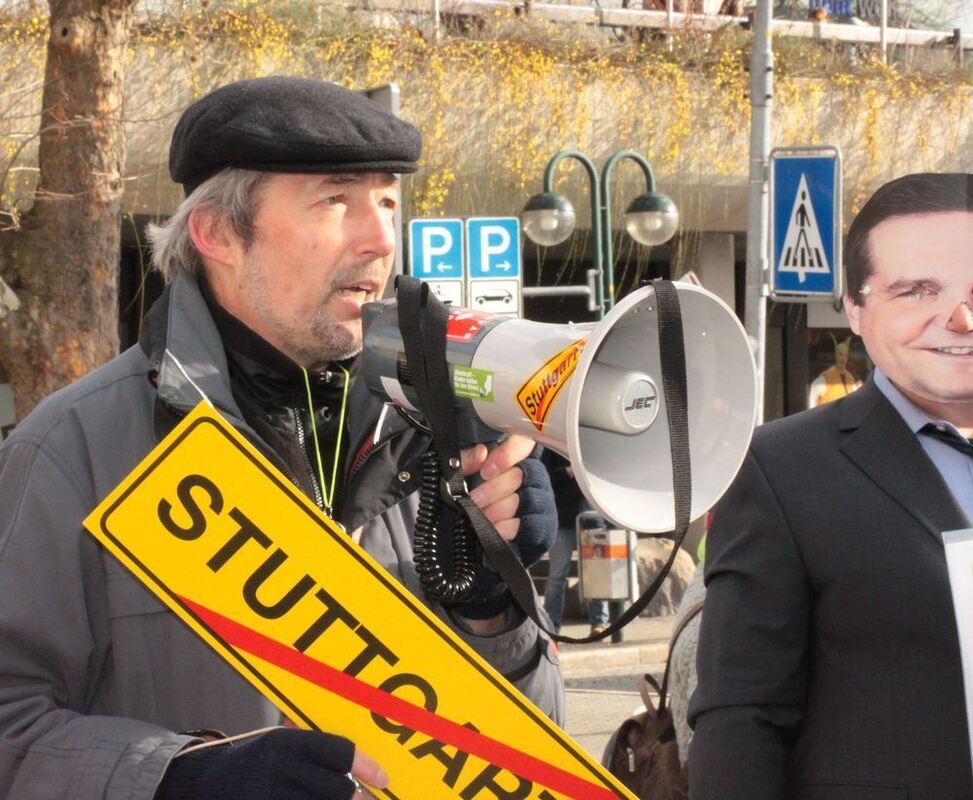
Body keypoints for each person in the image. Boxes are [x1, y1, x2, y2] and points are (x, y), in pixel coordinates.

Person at [0, 77, 561, 800]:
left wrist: (492, 610)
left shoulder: (431, 431)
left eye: (387, 201)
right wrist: (175, 778)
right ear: (217, 233)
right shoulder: (75, 447)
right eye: (335, 200)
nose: (382, 238)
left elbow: (531, 757)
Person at [689, 172, 973, 799]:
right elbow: (742, 719)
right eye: (917, 290)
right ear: (855, 308)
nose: (960, 316)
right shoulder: (780, 468)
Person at [540, 449, 610, 635]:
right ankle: (551, 624)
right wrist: (566, 472)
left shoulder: (589, 446)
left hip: (592, 519)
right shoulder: (551, 448)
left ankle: (599, 624)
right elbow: (543, 478)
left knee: (596, 574)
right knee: (557, 576)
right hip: (563, 520)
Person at [807, 335, 862, 407]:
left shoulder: (850, 378)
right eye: (840, 355)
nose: (843, 359)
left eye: (845, 356)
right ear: (836, 356)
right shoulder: (827, 377)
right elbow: (814, 392)